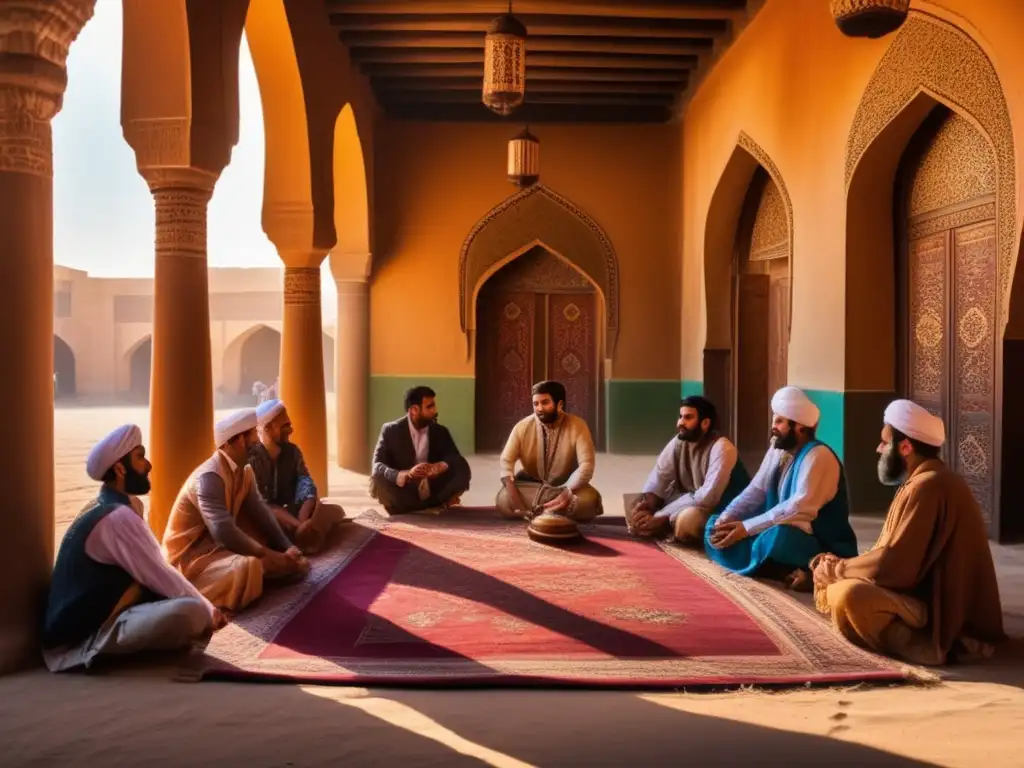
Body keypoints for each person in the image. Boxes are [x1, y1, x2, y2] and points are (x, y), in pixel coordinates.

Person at [811, 399, 1005, 665]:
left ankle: (920, 644)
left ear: (904, 447)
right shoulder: (923, 479)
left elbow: (895, 568)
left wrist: (839, 570)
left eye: (884, 442)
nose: (878, 449)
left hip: (937, 609)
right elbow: (889, 555)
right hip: (914, 592)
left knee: (850, 596)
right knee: (835, 580)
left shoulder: (928, 485)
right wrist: (839, 568)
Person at [43, 425, 222, 672]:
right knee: (192, 611)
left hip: (113, 613)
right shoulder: (116, 518)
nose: (148, 465)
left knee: (189, 597)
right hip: (84, 638)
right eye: (140, 457)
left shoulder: (122, 506)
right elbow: (158, 573)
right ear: (119, 468)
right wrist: (210, 612)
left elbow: (155, 568)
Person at [705, 386, 858, 585]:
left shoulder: (818, 456)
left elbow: (797, 509)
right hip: (778, 526)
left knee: (777, 537)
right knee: (713, 525)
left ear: (800, 428)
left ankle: (810, 569)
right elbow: (757, 490)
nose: (773, 427)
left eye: (779, 421)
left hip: (818, 540)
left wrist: (747, 528)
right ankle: (781, 569)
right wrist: (728, 517)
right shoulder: (778, 449)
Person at [162, 409, 308, 613]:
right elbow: (223, 531)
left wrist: (286, 547)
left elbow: (261, 512)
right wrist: (271, 556)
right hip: (191, 560)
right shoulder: (209, 477)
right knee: (249, 567)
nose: (258, 442)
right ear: (237, 440)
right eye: (253, 436)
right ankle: (269, 570)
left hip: (217, 550)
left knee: (261, 540)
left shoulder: (245, 470)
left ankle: (276, 567)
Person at [626, 396, 750, 544]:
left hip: (720, 508)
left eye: (688, 418)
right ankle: (659, 524)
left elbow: (707, 498)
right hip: (689, 500)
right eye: (680, 417)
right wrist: (647, 505)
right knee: (635, 505)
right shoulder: (679, 441)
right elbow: (660, 476)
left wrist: (662, 516)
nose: (680, 423)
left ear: (705, 423)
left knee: (688, 523)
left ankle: (664, 525)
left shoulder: (722, 447)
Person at [249, 399, 347, 554]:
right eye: (285, 426)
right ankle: (302, 535)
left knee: (331, 510)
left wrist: (303, 516)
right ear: (267, 428)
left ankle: (302, 534)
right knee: (264, 523)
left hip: (292, 512)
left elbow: (306, 482)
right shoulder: (252, 459)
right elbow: (260, 503)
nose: (291, 430)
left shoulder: (293, 452)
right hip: (267, 519)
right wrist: (298, 525)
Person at [497, 380, 603, 521]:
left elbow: (586, 465)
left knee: (588, 502)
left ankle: (540, 513)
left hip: (567, 486)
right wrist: (517, 504)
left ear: (559, 404)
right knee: (504, 499)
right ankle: (551, 514)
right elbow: (506, 463)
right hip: (533, 487)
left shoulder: (578, 426)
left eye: (545, 403)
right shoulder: (522, 427)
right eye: (536, 404)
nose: (539, 408)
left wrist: (566, 492)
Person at [369, 386, 471, 514]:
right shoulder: (390, 430)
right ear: (414, 410)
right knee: (378, 478)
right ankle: (413, 510)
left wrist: (440, 466)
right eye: (430, 406)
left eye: (434, 406)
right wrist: (404, 475)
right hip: (405, 489)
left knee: (461, 465)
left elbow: (454, 458)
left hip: (433, 488)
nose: (435, 411)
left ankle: (434, 506)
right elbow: (377, 464)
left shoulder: (440, 431)